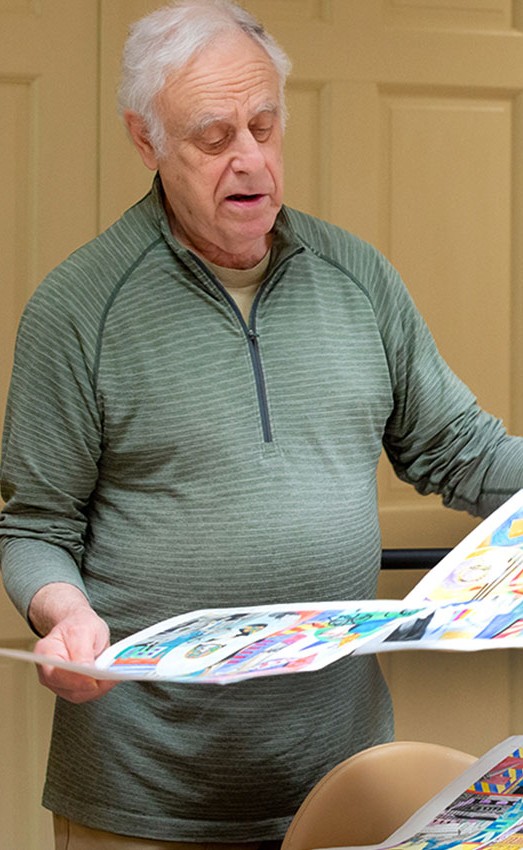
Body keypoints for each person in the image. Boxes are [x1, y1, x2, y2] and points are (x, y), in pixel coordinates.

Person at [1, 0, 522, 847]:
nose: (250, 161)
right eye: (212, 137)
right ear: (145, 140)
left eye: (264, 126)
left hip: (341, 779)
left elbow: (459, 451)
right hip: (146, 791)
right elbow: (32, 526)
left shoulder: (358, 278)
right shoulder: (77, 310)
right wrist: (61, 611)